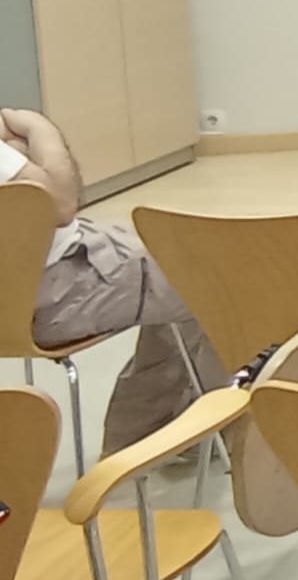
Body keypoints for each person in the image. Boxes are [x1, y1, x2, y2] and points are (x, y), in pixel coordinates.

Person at [0, 108, 224, 453]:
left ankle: (160, 431)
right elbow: (60, 203)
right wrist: (39, 129)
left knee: (174, 258)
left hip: (33, 280)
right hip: (47, 294)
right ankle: (143, 443)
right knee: (212, 278)